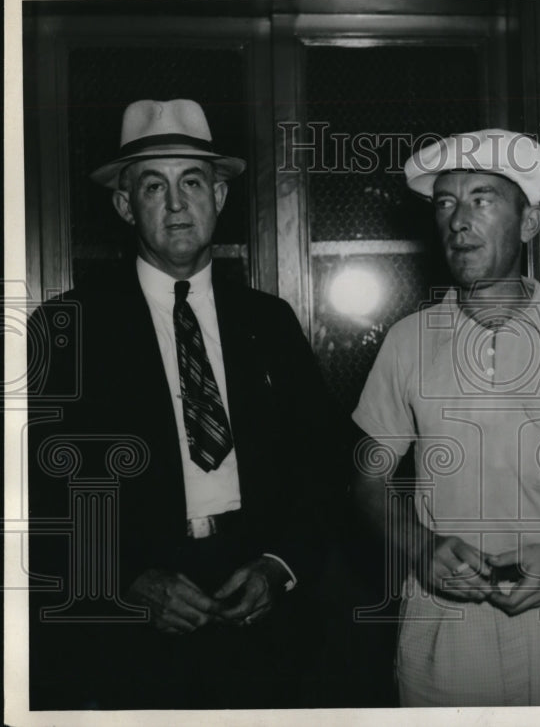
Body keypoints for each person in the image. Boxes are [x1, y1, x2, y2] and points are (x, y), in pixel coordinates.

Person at [28, 99, 331, 709]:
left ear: (219, 196)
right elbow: (32, 491)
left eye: (192, 182)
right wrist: (124, 582)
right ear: (123, 205)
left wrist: (278, 565)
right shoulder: (67, 326)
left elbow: (321, 462)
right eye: (152, 185)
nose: (175, 204)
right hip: (132, 624)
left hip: (260, 607)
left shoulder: (268, 323)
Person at [351, 129, 540, 706]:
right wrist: (419, 548)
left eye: (482, 199)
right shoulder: (408, 341)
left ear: (529, 224)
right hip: (445, 623)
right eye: (445, 202)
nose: (459, 220)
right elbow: (366, 479)